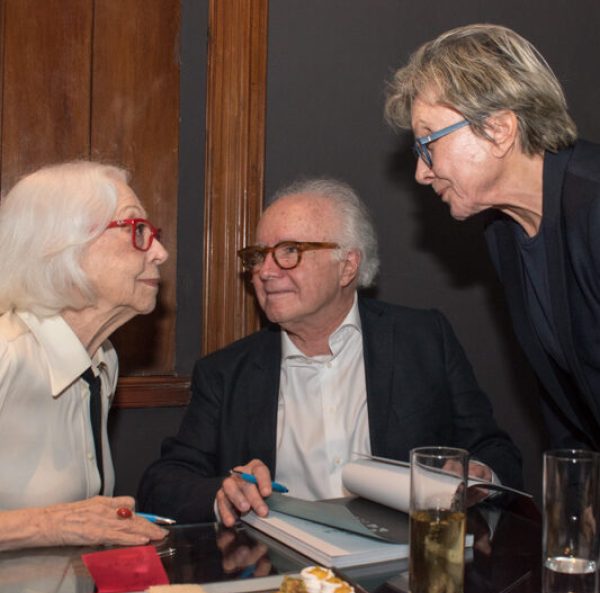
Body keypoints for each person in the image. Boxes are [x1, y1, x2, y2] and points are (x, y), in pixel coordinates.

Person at [138, 177, 522, 526]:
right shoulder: (226, 372)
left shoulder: (422, 340)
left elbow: (495, 450)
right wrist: (222, 492)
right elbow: (163, 483)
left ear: (347, 266)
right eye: (258, 256)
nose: (265, 272)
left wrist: (478, 475)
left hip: (405, 572)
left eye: (289, 251)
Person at [384, 23, 600, 451]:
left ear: (499, 129)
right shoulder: (502, 231)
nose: (421, 173)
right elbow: (565, 401)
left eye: (428, 143)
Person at [0, 161, 169, 550]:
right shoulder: (7, 357)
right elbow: (67, 524)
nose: (160, 252)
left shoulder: (102, 361)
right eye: (136, 230)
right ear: (62, 246)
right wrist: (52, 525)